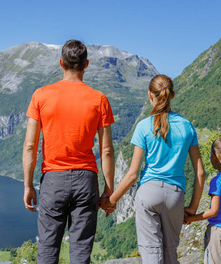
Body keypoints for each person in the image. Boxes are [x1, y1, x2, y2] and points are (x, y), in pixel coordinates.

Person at [22, 39, 115, 264]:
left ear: (61, 63)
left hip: (53, 181)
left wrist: (28, 185)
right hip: (86, 181)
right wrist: (109, 190)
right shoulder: (99, 99)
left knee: (47, 249)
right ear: (86, 65)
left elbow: (30, 146)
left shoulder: (41, 96)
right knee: (81, 252)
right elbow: (107, 150)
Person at [101, 74, 205, 264]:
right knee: (171, 252)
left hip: (148, 193)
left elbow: (132, 174)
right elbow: (200, 172)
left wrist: (111, 201)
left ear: (150, 95)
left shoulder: (144, 126)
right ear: (172, 95)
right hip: (175, 195)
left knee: (151, 254)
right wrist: (192, 207)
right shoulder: (187, 126)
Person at [184, 137, 221, 264]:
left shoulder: (217, 181)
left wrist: (190, 219)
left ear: (213, 157)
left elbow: (213, 211)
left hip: (217, 232)